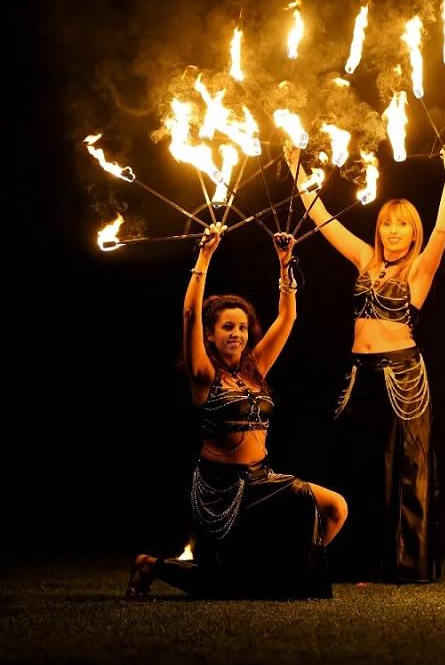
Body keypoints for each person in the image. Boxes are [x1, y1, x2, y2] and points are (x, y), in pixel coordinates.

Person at [125, 224, 346, 598]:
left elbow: (287, 319)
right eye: (228, 327)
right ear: (211, 333)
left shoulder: (254, 368)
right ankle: (151, 565)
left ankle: (289, 571)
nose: (237, 334)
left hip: (263, 481)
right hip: (220, 489)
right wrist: (205, 256)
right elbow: (190, 314)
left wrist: (284, 263)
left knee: (335, 507)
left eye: (242, 327)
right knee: (223, 586)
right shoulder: (203, 375)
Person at [287, 145, 445, 583]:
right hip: (358, 375)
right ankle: (353, 564)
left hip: (402, 377)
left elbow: (443, 229)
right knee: (355, 469)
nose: (394, 230)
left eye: (402, 224)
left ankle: (404, 567)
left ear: (412, 231)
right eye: (387, 223)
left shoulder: (418, 270)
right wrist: (297, 170)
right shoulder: (366, 258)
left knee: (403, 473)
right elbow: (324, 221)